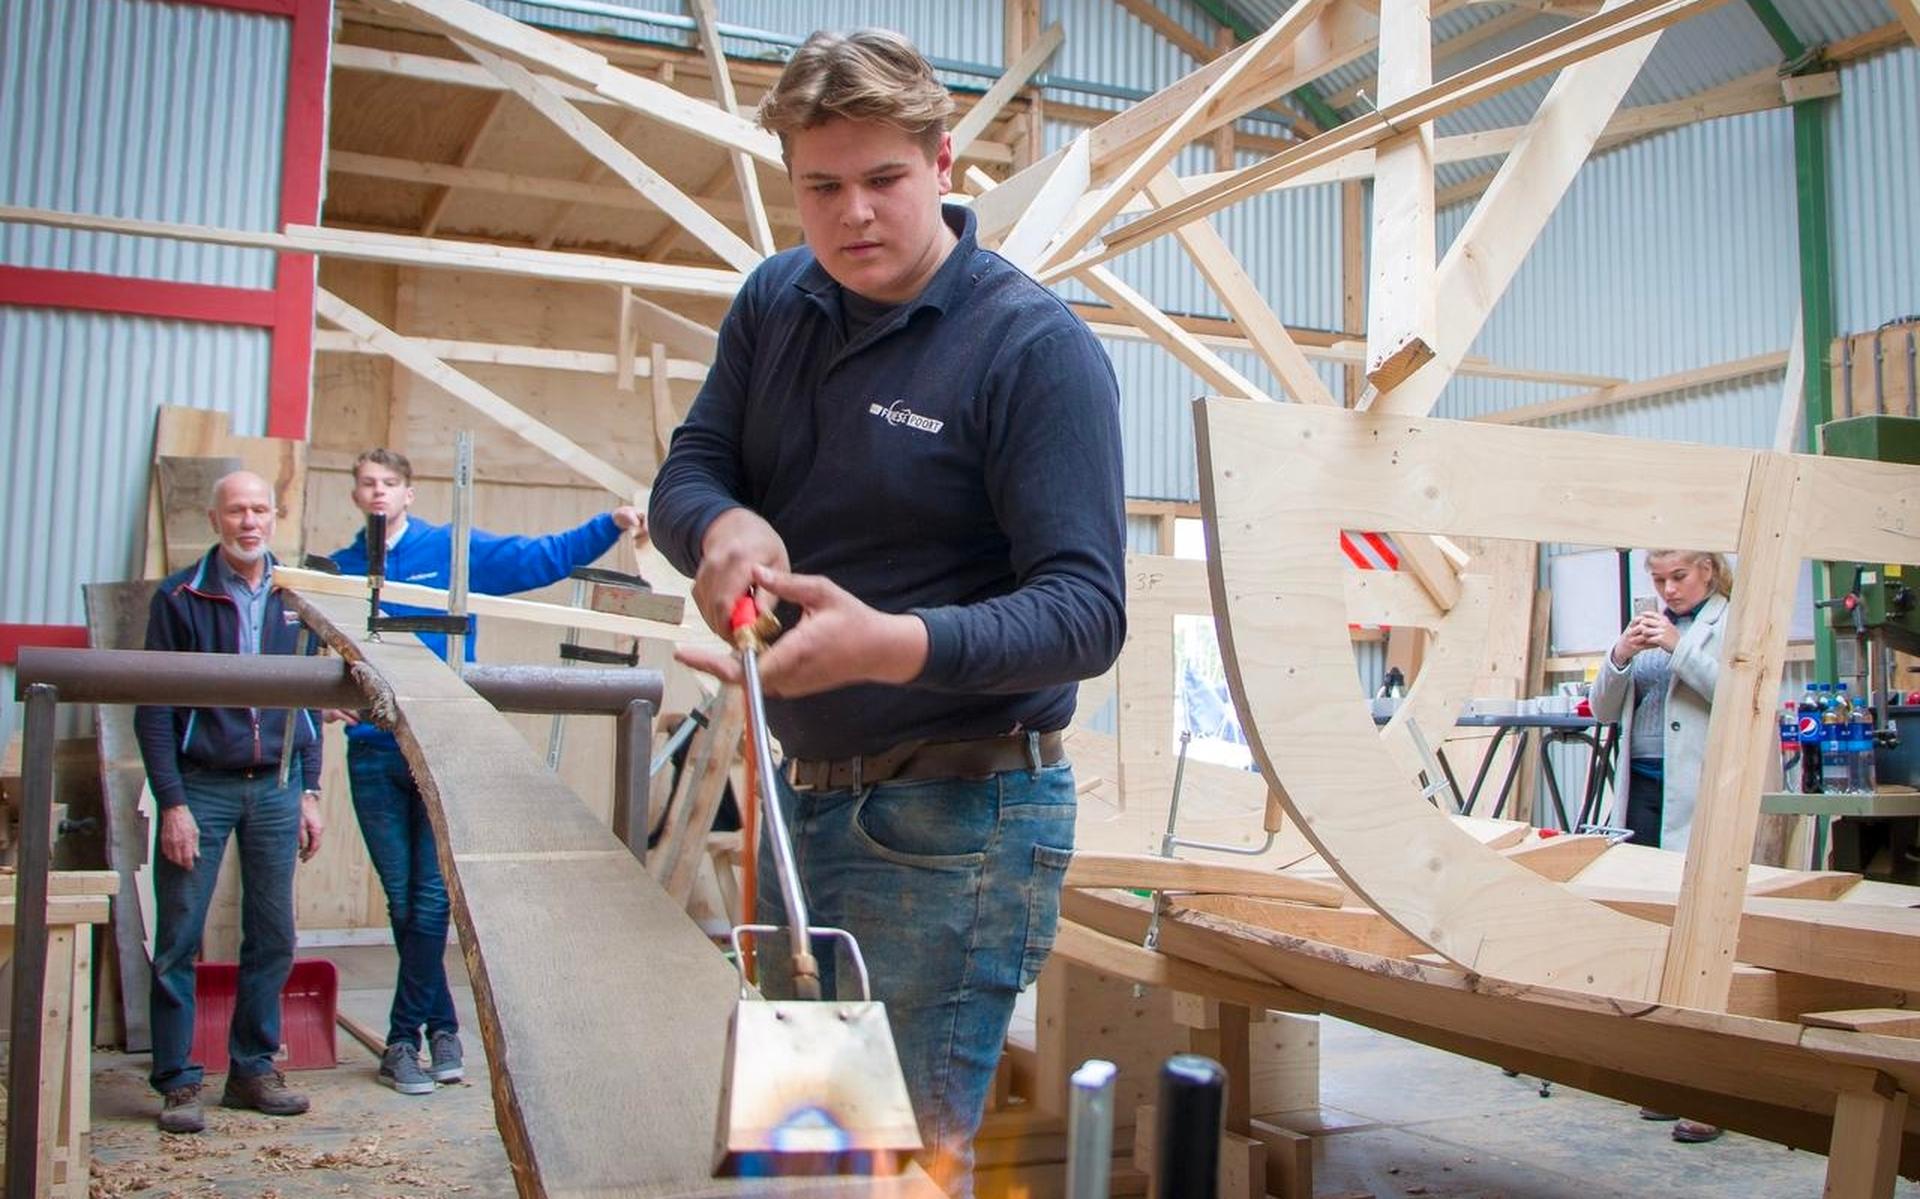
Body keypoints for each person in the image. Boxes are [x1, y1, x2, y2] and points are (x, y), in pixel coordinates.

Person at [648, 29, 1125, 1194]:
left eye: (883, 180)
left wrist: (894, 645)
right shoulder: (778, 301)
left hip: (958, 817)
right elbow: (693, 465)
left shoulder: (1032, 350)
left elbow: (1087, 612)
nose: (852, 213)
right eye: (821, 186)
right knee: (811, 1153)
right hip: (805, 802)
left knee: (893, 1166)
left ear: (944, 161)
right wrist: (721, 531)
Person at [325, 447, 648, 1096]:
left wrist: (608, 525)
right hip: (374, 753)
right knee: (405, 902)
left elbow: (538, 559)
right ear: (357, 496)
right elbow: (313, 645)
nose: (379, 492)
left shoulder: (451, 549)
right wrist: (323, 690)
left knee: (429, 899)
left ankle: (401, 1041)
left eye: (390, 482)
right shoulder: (340, 569)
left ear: (409, 493)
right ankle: (442, 1027)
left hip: (443, 741)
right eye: (368, 483)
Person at [134, 470, 326, 1134]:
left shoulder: (298, 595)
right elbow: (154, 708)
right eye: (236, 511)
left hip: (276, 785)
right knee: (179, 935)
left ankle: (251, 1068)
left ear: (276, 516)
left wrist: (311, 789)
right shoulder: (180, 595)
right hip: (204, 786)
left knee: (273, 934)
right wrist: (173, 802)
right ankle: (179, 1081)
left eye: (260, 510)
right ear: (215, 520)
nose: (249, 521)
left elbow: (310, 695)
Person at [1588, 547, 1732, 1145]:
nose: (1667, 589)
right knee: (1649, 933)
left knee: (1702, 940)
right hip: (1644, 794)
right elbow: (1602, 708)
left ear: (1710, 572)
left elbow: (1738, 692)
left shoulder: (1733, 622)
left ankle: (1710, 1093)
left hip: (1700, 798)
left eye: (1679, 577)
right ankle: (1663, 1077)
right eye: (1658, 579)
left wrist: (1678, 646)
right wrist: (1620, 656)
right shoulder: (1648, 626)